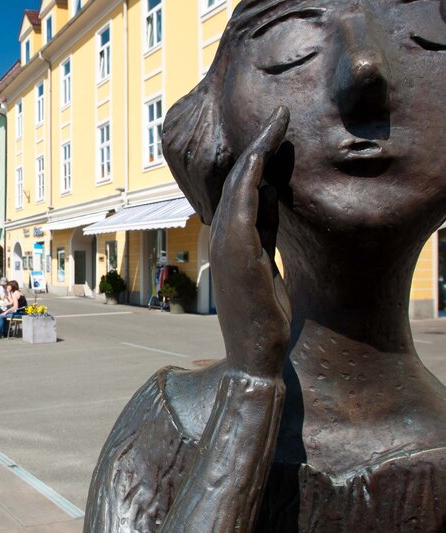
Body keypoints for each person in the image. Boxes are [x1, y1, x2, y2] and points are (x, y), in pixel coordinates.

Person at [86, 3, 446, 530]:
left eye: (423, 37)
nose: (366, 68)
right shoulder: (161, 427)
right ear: (215, 135)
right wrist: (249, 390)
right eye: (292, 48)